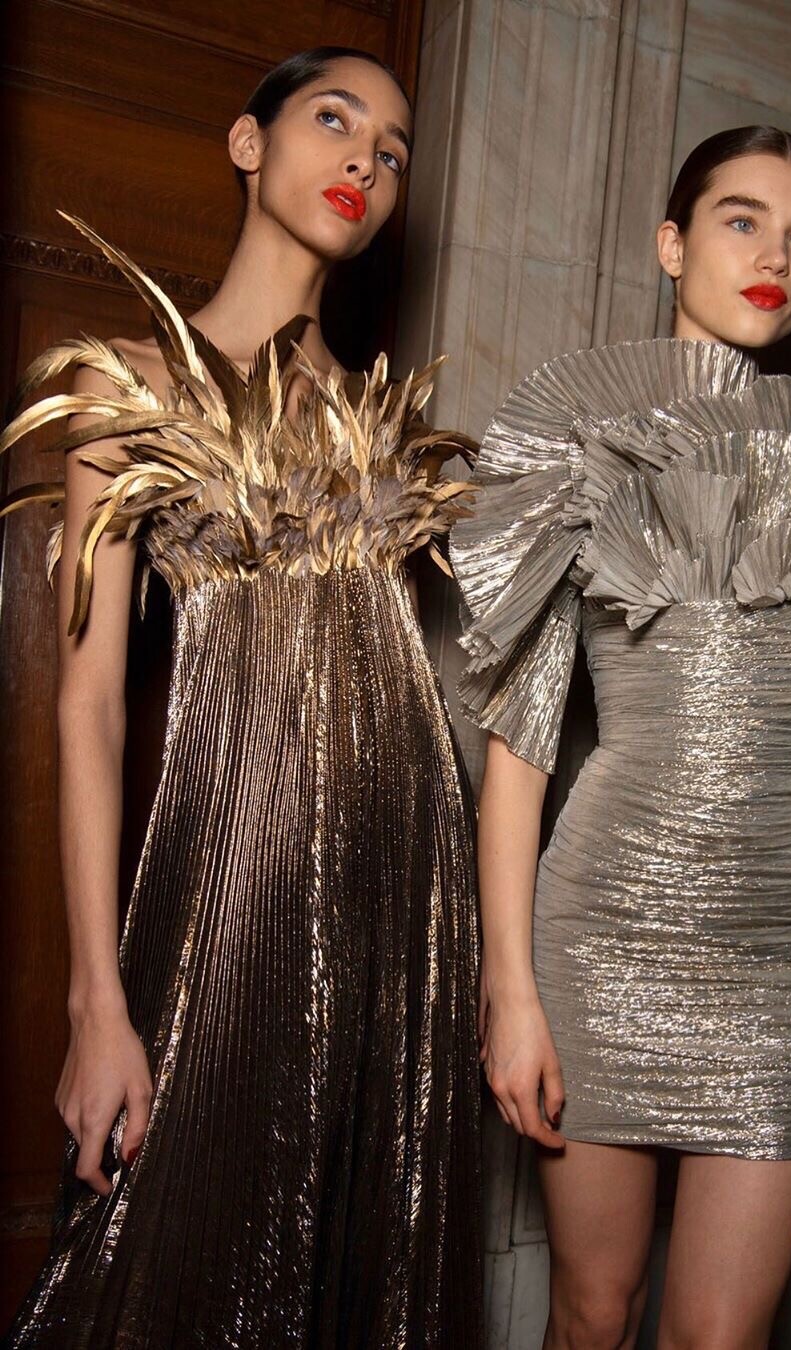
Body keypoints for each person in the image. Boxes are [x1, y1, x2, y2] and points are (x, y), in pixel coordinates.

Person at [451, 126, 791, 1349]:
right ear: (671, 244)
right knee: (594, 1313)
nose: (775, 258)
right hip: (609, 931)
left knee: (721, 1338)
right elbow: (519, 751)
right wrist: (511, 988)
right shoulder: (577, 438)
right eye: (742, 221)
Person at [1, 47, 482, 1348]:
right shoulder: (132, 385)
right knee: (177, 1254)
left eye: (393, 151)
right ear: (248, 143)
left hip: (409, 881)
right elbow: (89, 704)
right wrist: (96, 1002)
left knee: (358, 1270)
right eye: (335, 120)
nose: (367, 159)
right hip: (238, 872)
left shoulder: (377, 418)